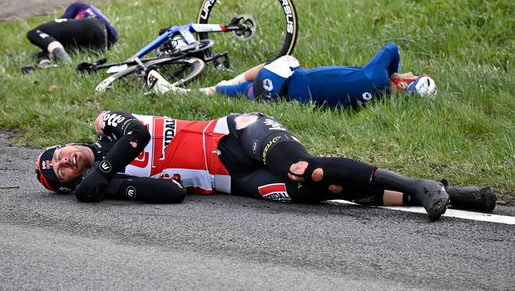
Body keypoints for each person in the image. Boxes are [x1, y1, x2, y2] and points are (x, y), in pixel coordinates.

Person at [35, 110, 497, 221]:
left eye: (59, 155)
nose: (66, 161)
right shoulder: (117, 181)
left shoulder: (106, 127)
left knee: (306, 170)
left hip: (238, 135)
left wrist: (97, 177)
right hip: (233, 179)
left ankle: (417, 184)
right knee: (316, 191)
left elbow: (137, 132)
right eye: (64, 173)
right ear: (68, 185)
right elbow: (172, 193)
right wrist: (108, 186)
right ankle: (448, 194)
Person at [146, 43, 437, 108]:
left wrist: (397, 72)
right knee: (234, 94)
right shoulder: (377, 96)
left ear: (404, 83)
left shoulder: (377, 78)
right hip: (289, 95)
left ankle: (223, 83)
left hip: (287, 82)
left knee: (285, 60)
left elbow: (391, 47)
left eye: (413, 76)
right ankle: (180, 93)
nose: (411, 72)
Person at [26, 2, 119, 67]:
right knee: (72, 50)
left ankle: (64, 60)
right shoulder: (91, 11)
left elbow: (63, 20)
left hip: (91, 26)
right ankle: (46, 60)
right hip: (104, 38)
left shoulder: (77, 6)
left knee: (32, 33)